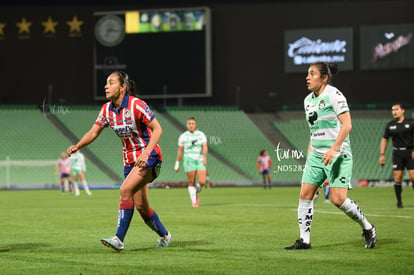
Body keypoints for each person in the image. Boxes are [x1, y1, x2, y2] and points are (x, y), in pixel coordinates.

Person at [67, 71, 171, 252]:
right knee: (141, 206)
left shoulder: (136, 105)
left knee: (124, 190)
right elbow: (93, 132)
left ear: (122, 87)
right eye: (106, 83)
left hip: (150, 157)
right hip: (129, 162)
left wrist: (146, 154)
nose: (106, 86)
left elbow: (158, 129)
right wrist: (78, 146)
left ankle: (118, 239)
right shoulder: (107, 110)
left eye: (111, 83)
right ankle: (165, 235)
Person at [284, 62, 376, 250]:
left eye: (312, 74)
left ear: (324, 78)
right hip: (316, 156)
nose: (307, 77)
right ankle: (304, 240)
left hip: (338, 155)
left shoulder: (334, 95)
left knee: (338, 199)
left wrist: (334, 149)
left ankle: (368, 227)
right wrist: (309, 159)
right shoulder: (307, 100)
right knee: (305, 194)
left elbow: (347, 125)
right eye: (307, 74)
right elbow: (313, 132)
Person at [379, 103, 414, 208]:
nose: (394, 112)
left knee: (413, 177)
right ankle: (399, 202)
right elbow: (384, 139)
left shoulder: (410, 123)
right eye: (393, 110)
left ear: (402, 110)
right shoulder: (390, 125)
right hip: (397, 154)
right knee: (398, 178)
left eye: (396, 109)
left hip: (409, 152)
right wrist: (382, 155)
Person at [174, 117, 208, 207]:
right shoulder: (183, 136)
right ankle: (194, 201)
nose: (191, 125)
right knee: (191, 181)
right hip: (189, 160)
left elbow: (205, 146)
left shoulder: (201, 135)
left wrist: (204, 157)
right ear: (187, 125)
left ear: (195, 125)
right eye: (189, 123)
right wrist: (177, 162)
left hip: (199, 159)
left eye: (193, 123)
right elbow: (180, 150)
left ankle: (195, 191)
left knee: (202, 182)